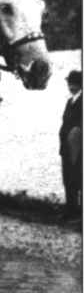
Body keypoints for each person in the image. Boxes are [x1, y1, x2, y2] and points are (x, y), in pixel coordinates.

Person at [60, 69, 82, 220]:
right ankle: (70, 210)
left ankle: (79, 213)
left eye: (73, 83)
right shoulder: (70, 100)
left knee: (78, 178)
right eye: (69, 83)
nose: (70, 86)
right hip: (66, 147)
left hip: (78, 148)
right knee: (68, 179)